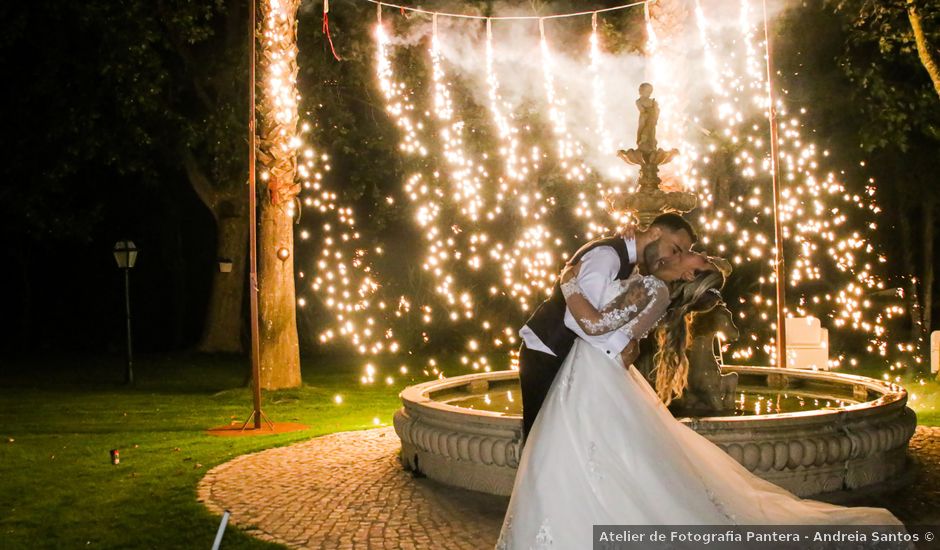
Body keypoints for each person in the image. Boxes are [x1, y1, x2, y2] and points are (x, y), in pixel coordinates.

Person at [495, 253, 905, 549]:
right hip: (593, 373)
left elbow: (597, 326)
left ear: (688, 273)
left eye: (690, 256)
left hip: (591, 376)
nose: (686, 254)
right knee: (576, 457)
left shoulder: (654, 287)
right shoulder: (651, 286)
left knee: (572, 456)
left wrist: (568, 282)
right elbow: (620, 340)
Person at [517, 212, 697, 444]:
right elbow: (579, 317)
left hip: (570, 356)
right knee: (540, 440)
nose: (674, 259)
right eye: (675, 249)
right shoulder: (607, 257)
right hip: (547, 351)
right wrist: (621, 345)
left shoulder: (629, 263)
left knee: (566, 440)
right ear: (654, 233)